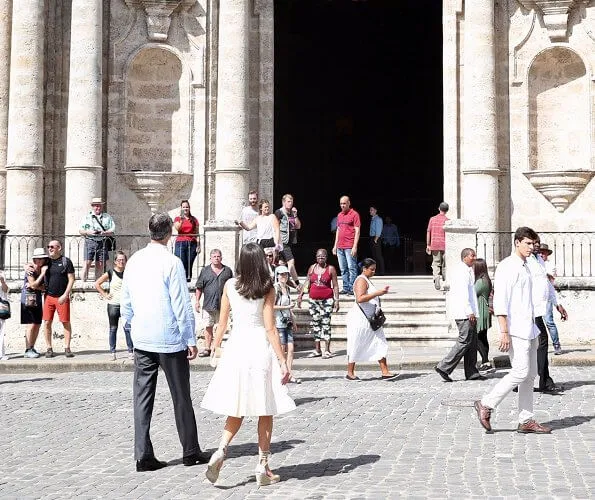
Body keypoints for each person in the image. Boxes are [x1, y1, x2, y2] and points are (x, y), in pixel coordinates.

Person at [121, 212, 210, 472]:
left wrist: (131, 329)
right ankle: (190, 451)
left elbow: (126, 302)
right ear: (170, 232)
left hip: (143, 337)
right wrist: (190, 338)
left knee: (142, 398)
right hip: (169, 339)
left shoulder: (134, 260)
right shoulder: (172, 263)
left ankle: (143, 455)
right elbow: (181, 305)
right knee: (181, 396)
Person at [201, 242, 295, 486]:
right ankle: (263, 465)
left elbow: (221, 323)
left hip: (236, 348)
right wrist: (283, 360)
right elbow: (271, 328)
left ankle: (221, 449)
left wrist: (214, 347)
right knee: (265, 408)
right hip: (259, 348)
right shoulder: (267, 288)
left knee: (237, 405)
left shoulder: (230, 285)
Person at [474, 227, 552, 434]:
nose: (531, 247)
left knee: (530, 374)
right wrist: (504, 331)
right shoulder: (507, 266)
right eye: (527, 243)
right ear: (517, 242)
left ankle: (526, 419)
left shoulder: (528, 265)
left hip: (530, 326)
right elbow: (500, 301)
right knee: (519, 372)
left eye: (533, 244)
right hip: (516, 328)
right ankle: (487, 403)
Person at [435, 248, 484, 382]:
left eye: (474, 255)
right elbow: (463, 293)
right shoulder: (462, 271)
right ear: (465, 257)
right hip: (464, 312)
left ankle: (472, 371)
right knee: (465, 341)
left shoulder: (467, 270)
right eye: (472, 256)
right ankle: (444, 366)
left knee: (472, 342)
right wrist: (469, 311)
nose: (474, 258)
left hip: (469, 311)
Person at [345, 258, 398, 381]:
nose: (374, 272)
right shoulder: (361, 280)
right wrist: (377, 293)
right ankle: (350, 372)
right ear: (364, 269)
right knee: (356, 343)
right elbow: (360, 298)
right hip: (361, 319)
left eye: (375, 269)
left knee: (380, 342)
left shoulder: (367, 280)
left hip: (371, 318)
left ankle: (385, 371)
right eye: (372, 269)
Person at [526, 239, 562, 394]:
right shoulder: (525, 261)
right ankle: (542, 381)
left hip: (538, 310)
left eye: (537, 243)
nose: (536, 245)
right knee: (536, 345)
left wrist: (557, 304)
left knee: (536, 345)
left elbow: (547, 284)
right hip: (529, 310)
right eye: (533, 242)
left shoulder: (539, 260)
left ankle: (542, 380)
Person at [298, 248, 340, 359]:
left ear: (326, 257)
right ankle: (317, 350)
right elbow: (307, 282)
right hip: (313, 300)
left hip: (327, 299)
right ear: (316, 257)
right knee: (316, 324)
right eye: (318, 256)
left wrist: (337, 300)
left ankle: (327, 350)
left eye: (323, 256)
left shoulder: (331, 269)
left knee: (326, 323)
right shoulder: (312, 268)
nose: (320, 258)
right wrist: (300, 295)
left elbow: (335, 285)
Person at [95, 251, 133, 360]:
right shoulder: (110, 272)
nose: (121, 262)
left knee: (128, 328)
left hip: (126, 305)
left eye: (123, 260)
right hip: (113, 305)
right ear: (115, 262)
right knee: (113, 329)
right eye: (119, 260)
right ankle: (112, 351)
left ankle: (131, 351)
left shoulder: (129, 273)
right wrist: (105, 294)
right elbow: (97, 284)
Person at [195, 249, 233, 357]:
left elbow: (232, 287)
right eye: (214, 256)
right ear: (210, 258)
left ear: (221, 257)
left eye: (218, 256)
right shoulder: (205, 271)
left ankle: (216, 348)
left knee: (220, 327)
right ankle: (207, 348)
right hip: (208, 304)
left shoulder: (227, 271)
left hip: (223, 305)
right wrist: (197, 301)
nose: (216, 258)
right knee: (208, 326)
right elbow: (199, 287)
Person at [43, 240, 75, 358]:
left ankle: (67, 348)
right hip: (48, 296)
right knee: (46, 322)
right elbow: (34, 264)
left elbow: (71, 278)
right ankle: (49, 348)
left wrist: (65, 294)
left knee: (65, 322)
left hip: (62, 296)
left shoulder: (66, 261)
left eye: (52, 246)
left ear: (59, 248)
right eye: (48, 246)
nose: (49, 248)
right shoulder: (46, 262)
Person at [273, 265, 300, 383]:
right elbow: (272, 306)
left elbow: (289, 308)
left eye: (285, 274)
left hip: (287, 321)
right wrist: (286, 307)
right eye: (281, 274)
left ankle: (289, 373)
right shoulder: (275, 288)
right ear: (277, 276)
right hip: (279, 322)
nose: (284, 276)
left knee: (291, 348)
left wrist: (293, 321)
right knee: (282, 349)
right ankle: (281, 372)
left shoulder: (287, 289)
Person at [539, 243, 567, 355]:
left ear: (547, 254)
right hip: (537, 298)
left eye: (543, 252)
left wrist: (557, 303)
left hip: (547, 297)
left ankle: (556, 344)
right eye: (539, 252)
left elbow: (551, 280)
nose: (541, 254)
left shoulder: (550, 265)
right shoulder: (536, 264)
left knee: (549, 322)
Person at [79, 197, 116, 281]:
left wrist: (105, 232)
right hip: (90, 240)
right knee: (87, 262)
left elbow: (113, 230)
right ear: (92, 206)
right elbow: (81, 230)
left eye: (99, 206)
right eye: (95, 206)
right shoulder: (87, 217)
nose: (97, 208)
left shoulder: (107, 217)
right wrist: (89, 232)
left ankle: (98, 281)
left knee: (100, 263)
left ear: (102, 206)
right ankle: (83, 281)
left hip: (103, 241)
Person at [22, 248, 49, 358]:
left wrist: (38, 286)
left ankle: (32, 347)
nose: (40, 260)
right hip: (29, 296)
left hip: (36, 296)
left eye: (42, 258)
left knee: (37, 323)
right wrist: (42, 275)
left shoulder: (43, 267)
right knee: (31, 323)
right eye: (38, 258)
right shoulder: (31, 269)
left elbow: (38, 286)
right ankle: (28, 349)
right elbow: (33, 285)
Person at [332, 195, 361, 296]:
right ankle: (345, 287)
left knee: (351, 267)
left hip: (349, 246)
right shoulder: (339, 215)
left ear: (349, 203)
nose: (342, 206)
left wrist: (355, 246)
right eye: (341, 204)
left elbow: (357, 231)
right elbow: (338, 230)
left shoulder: (354, 214)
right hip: (340, 246)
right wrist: (335, 245)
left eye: (344, 203)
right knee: (343, 268)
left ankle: (352, 287)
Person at [275, 194, 302, 287]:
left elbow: (298, 226)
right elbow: (275, 227)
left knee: (282, 264)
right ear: (283, 202)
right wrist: (277, 242)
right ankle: (297, 284)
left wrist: (295, 216)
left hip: (290, 242)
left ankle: (282, 283)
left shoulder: (292, 213)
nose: (290, 204)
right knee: (291, 262)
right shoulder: (279, 212)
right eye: (288, 201)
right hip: (282, 242)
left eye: (291, 202)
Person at [473, 258, 493, 372]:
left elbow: (473, 293)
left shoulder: (480, 281)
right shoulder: (486, 279)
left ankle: (485, 361)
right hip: (484, 309)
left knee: (476, 337)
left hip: (481, 310)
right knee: (482, 337)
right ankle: (486, 361)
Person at [173, 200, 201, 282]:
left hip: (192, 243)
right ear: (181, 208)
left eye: (187, 207)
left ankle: (188, 282)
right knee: (181, 262)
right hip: (180, 243)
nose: (185, 208)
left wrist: (199, 245)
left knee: (189, 264)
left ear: (189, 208)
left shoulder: (194, 219)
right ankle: (180, 281)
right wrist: (181, 219)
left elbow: (197, 233)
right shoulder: (177, 218)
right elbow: (177, 228)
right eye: (184, 207)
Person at [426, 202, 449, 290]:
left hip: (435, 244)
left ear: (439, 208)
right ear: (447, 210)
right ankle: (444, 278)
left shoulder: (432, 219)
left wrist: (428, 244)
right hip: (445, 245)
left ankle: (436, 278)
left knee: (436, 263)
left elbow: (428, 231)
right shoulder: (448, 221)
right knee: (445, 264)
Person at [369, 206, 385, 275]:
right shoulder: (373, 219)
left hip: (376, 238)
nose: (370, 211)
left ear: (375, 211)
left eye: (371, 210)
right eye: (370, 210)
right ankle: (377, 271)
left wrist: (376, 239)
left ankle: (381, 271)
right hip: (372, 238)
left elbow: (379, 230)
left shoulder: (378, 219)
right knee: (374, 256)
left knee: (378, 255)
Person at [0, 270, 8, 361]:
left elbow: (6, 290)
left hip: (1, 306)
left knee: (1, 330)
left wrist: (2, 281)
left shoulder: (2, 273)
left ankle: (1, 353)